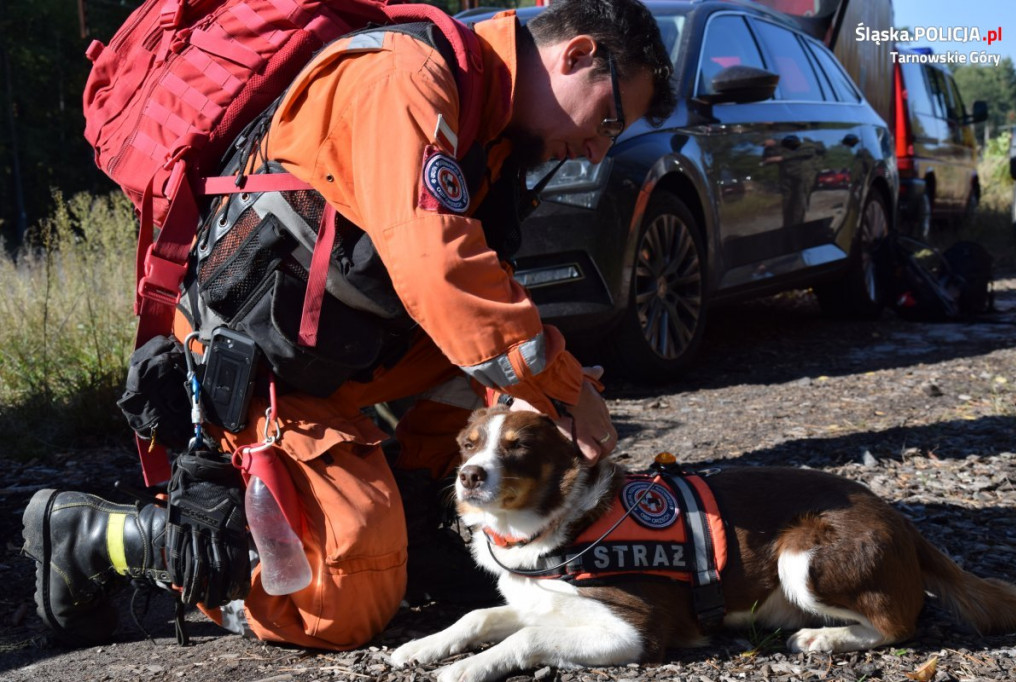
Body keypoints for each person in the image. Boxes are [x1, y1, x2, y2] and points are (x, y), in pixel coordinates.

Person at [22, 0, 675, 652]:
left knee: (504, 399)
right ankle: (115, 537)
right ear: (579, 55)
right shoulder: (404, 78)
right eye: (609, 121)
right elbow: (439, 270)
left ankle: (422, 527)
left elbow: (485, 306)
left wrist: (542, 390)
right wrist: (558, 387)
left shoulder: (489, 127)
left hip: (343, 357)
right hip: (263, 368)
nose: (596, 150)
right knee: (342, 602)